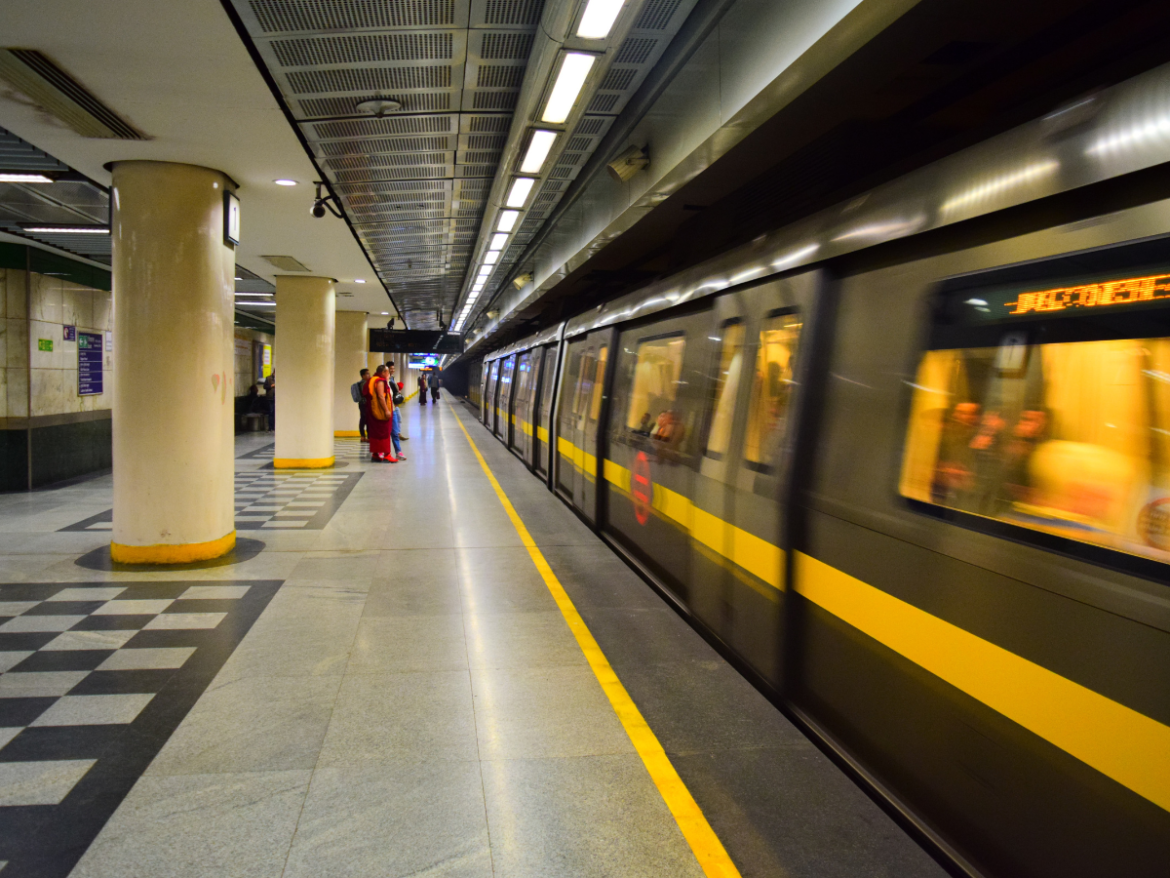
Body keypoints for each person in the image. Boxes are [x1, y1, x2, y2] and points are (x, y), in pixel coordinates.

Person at [363, 365, 396, 463]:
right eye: (387, 372)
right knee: (384, 433)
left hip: (372, 411)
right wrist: (386, 410)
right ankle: (386, 454)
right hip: (379, 412)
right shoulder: (380, 381)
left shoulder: (372, 380)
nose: (389, 374)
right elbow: (381, 396)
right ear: (383, 373)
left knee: (375, 433)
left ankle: (376, 454)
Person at [386, 363, 407, 460]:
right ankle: (385, 453)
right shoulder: (381, 383)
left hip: (392, 409)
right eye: (389, 370)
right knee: (385, 433)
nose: (391, 371)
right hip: (385, 411)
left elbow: (394, 393)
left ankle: (398, 452)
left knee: (394, 432)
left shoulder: (391, 381)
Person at [351, 369, 369, 442]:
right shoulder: (365, 384)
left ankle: (362, 436)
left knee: (362, 419)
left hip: (361, 404)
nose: (369, 375)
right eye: (367, 374)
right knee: (367, 420)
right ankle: (366, 436)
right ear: (363, 376)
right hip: (366, 404)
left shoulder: (359, 383)